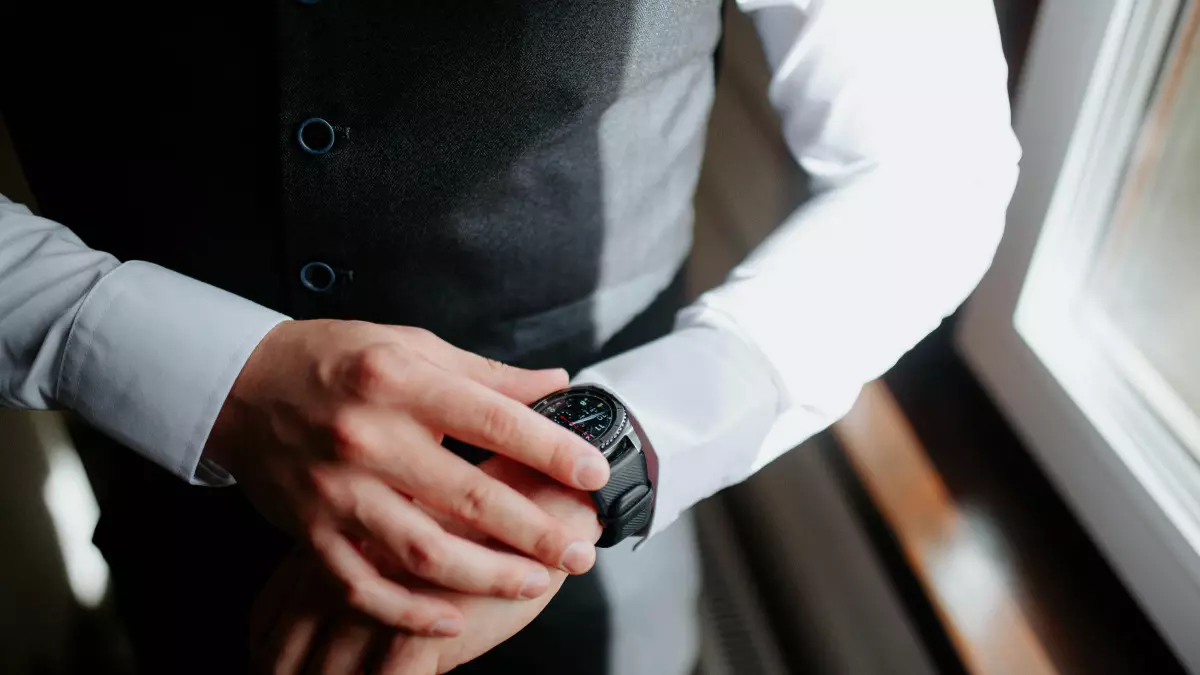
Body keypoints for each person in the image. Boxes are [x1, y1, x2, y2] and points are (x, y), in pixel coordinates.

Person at [0, 0, 1020, 672]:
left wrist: (581, 468)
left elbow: (932, 166)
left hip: (584, 587)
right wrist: (189, 369)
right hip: (169, 540)